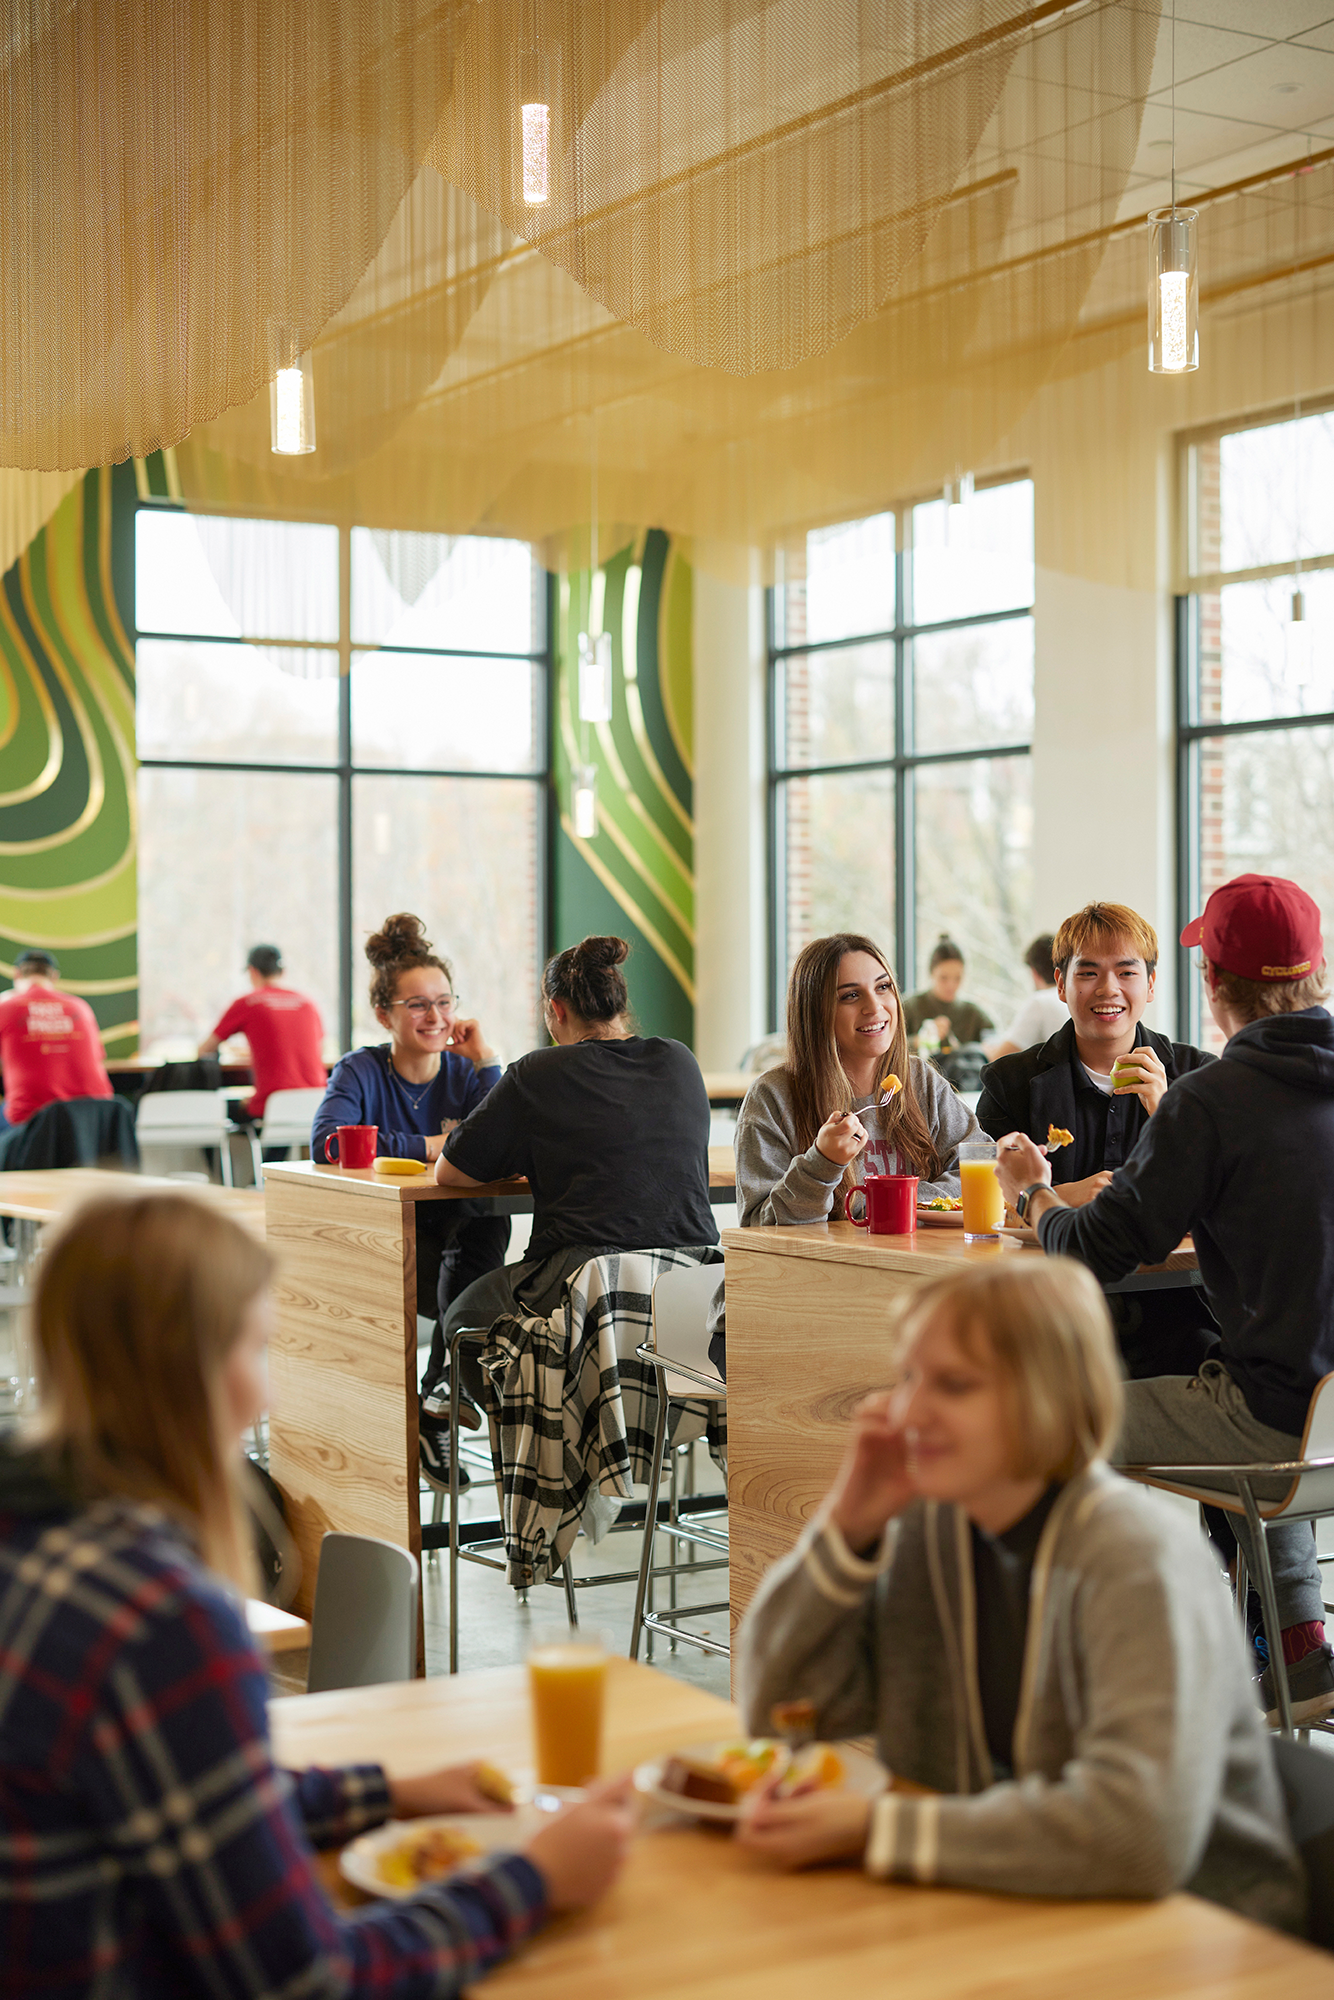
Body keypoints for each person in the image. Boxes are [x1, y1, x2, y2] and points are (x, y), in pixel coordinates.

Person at [0, 1189, 633, 1995]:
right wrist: (535, 1880)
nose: (263, 1394)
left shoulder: (32, 1534)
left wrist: (386, 1793)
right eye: (253, 1349)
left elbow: (194, 1786)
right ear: (188, 1367)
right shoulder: (160, 1621)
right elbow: (309, 1980)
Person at [734, 1258, 1304, 1934]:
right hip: (1016, 1908)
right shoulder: (935, 1528)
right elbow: (781, 1712)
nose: (907, 1411)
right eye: (909, 1377)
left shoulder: (1133, 1555)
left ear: (1048, 1399)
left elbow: (1139, 1837)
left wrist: (878, 1828)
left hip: (1199, 1939)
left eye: (954, 1385)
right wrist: (844, 1528)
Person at [994, 873, 1334, 1728]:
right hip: (1324, 1413)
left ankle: (1068, 1688)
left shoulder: (1210, 1098)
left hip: (1269, 1416)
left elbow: (1095, 1250)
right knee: (1258, 1388)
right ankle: (1298, 1649)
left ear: (1208, 983)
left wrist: (1035, 1194)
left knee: (1035, 1432)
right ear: (1317, 968)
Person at [424, 935, 717, 1480]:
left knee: (461, 1319)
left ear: (555, 1011)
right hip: (690, 1300)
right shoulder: (680, 1060)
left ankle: (564, 1439)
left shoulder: (539, 1072)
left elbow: (452, 1172)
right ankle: (613, 1424)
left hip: (589, 1282)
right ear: (620, 1004)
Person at [977, 901, 1219, 1378]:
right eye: (1088, 972)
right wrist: (1053, 1198)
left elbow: (1224, 1206)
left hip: (1177, 1314)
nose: (1108, 989)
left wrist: (1168, 1113)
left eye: (1126, 972)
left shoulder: (1199, 1078)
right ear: (1061, 983)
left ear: (1150, 984)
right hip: (1047, 1315)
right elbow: (978, 1200)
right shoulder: (1010, 1082)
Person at [312, 913, 509, 1366]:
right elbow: (329, 1143)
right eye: (418, 1004)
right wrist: (431, 1146)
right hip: (380, 1236)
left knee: (485, 1224)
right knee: (473, 1276)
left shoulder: (467, 1073)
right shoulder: (358, 1070)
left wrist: (487, 1060)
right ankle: (445, 1382)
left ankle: (441, 1386)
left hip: (457, 1232)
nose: (436, 1017)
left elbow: (502, 1144)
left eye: (445, 1002)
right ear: (384, 1014)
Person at [199, 943, 327, 1122]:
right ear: (282, 972)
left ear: (252, 971)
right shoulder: (307, 1004)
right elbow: (317, 1049)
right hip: (315, 1103)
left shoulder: (248, 1003)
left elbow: (204, 1049)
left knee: (213, 1110)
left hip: (272, 1104)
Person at [0, 948, 113, 1131]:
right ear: (54, 976)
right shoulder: (81, 1007)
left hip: (32, 1126)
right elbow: (99, 1056)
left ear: (17, 974)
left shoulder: (5, 1007)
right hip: (96, 1121)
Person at [900, 935, 994, 1054]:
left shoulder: (974, 1014)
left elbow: (995, 1044)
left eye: (958, 978)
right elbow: (889, 1046)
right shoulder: (909, 1007)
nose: (951, 985)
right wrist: (921, 1040)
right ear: (931, 973)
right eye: (943, 978)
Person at [984, 932, 1067, 1058]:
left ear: (1034, 972)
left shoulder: (1040, 1001)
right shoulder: (1071, 999)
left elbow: (999, 1058)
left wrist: (985, 1051)